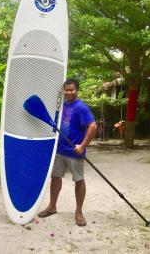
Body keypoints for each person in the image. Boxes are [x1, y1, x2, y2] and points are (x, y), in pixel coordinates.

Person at [38, 78, 97, 226]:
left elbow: (93, 126)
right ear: (64, 90)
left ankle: (78, 212)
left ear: (77, 90)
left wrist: (83, 146)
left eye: (72, 90)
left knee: (78, 180)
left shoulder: (81, 107)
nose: (69, 92)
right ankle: (52, 206)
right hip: (60, 149)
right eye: (67, 89)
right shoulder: (62, 105)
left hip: (74, 151)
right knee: (56, 177)